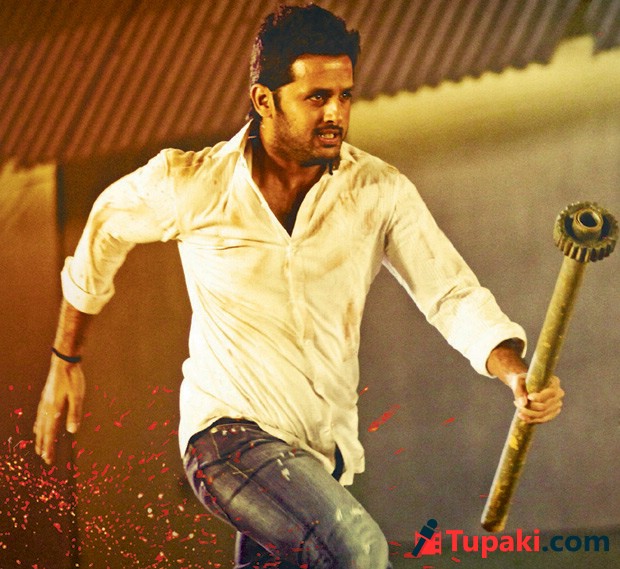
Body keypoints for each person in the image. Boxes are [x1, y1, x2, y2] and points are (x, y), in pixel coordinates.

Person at [34, 4, 564, 568]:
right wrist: (65, 357)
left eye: (345, 95)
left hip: (319, 458)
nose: (336, 113)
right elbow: (104, 229)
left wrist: (515, 372)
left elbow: (451, 295)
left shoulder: (378, 191)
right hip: (225, 440)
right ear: (264, 100)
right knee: (359, 550)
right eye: (317, 97)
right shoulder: (193, 184)